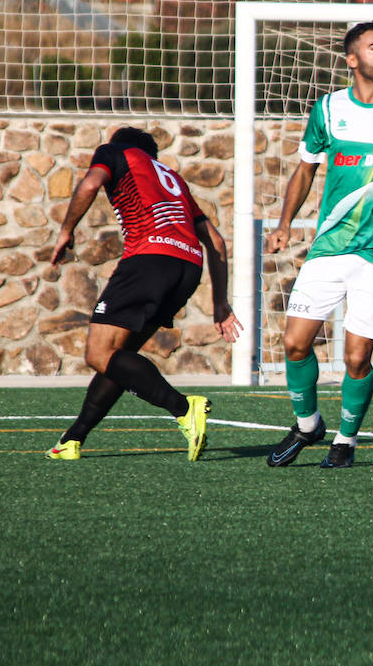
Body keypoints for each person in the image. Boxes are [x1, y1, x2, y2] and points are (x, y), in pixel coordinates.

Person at [264, 20, 373, 469]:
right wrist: (285, 222)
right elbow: (305, 169)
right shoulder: (327, 109)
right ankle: (307, 424)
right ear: (352, 59)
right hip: (330, 246)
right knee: (295, 343)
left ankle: (345, 438)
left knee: (357, 356)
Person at [46, 127, 241, 461]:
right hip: (187, 267)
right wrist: (221, 303)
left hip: (149, 258)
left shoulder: (114, 151)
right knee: (118, 359)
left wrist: (66, 231)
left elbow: (91, 183)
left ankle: (183, 407)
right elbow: (217, 242)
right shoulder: (175, 180)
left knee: (98, 354)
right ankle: (73, 439)